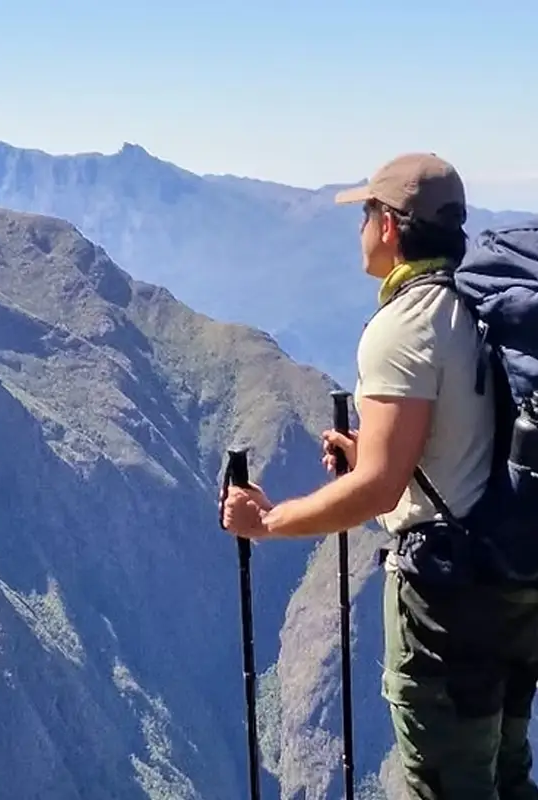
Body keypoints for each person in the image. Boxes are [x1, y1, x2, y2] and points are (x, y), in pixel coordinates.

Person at [220, 152, 538, 799]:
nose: (360, 228)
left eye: (366, 212)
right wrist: (375, 447)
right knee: (505, 774)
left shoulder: (404, 325)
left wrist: (268, 521)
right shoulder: (477, 304)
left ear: (390, 226)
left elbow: (378, 490)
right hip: (513, 582)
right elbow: (468, 433)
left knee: (445, 784)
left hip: (448, 600)